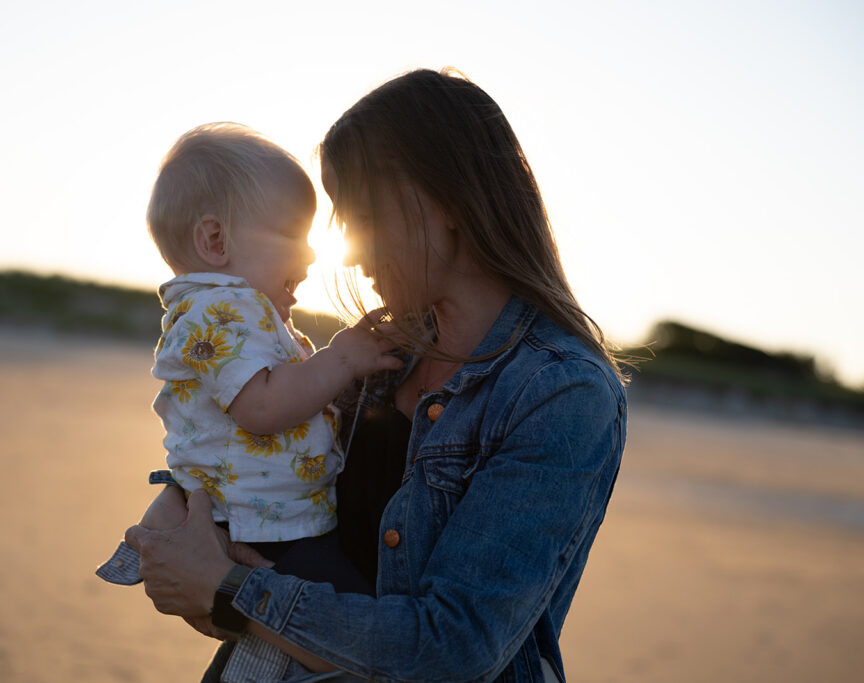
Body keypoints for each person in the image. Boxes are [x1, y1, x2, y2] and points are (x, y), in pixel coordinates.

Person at [123, 69, 628, 682]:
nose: (352, 252)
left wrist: (231, 590)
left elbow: (452, 649)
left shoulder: (561, 392)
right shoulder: (384, 353)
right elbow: (263, 470)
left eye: (361, 214)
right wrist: (182, 531)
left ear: (444, 201)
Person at [96, 123, 399, 597]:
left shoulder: (238, 311)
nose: (313, 252)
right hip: (265, 523)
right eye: (293, 234)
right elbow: (259, 408)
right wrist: (341, 359)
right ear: (215, 241)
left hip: (264, 511)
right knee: (347, 606)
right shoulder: (218, 311)